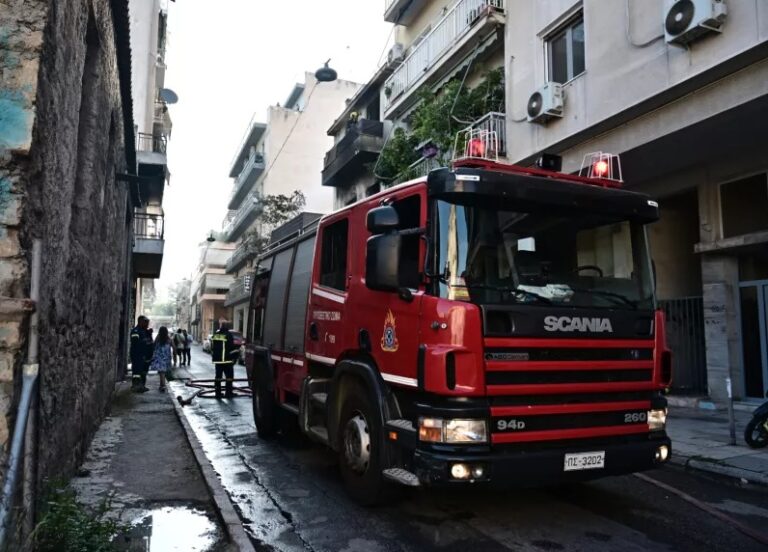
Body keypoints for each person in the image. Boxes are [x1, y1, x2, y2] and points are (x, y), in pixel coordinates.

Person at [210, 319, 239, 398]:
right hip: (227, 360)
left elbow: (212, 347)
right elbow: (231, 347)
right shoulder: (229, 335)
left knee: (218, 377)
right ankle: (228, 392)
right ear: (228, 327)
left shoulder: (216, 334)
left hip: (218, 361)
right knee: (229, 377)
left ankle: (218, 393)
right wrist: (236, 354)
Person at [129, 315, 153, 393]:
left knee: (143, 372)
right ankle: (135, 386)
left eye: (147, 322)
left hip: (145, 356)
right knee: (137, 371)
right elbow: (135, 342)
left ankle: (142, 386)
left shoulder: (145, 331)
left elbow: (150, 343)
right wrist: (145, 341)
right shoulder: (136, 331)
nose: (146, 324)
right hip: (137, 355)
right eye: (145, 322)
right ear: (140, 322)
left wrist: (149, 334)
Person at [150, 326, 172, 392]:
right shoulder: (168, 338)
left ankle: (163, 385)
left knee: (161, 372)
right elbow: (173, 346)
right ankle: (162, 385)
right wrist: (175, 355)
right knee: (162, 372)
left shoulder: (158, 337)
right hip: (167, 358)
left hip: (159, 357)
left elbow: (154, 345)